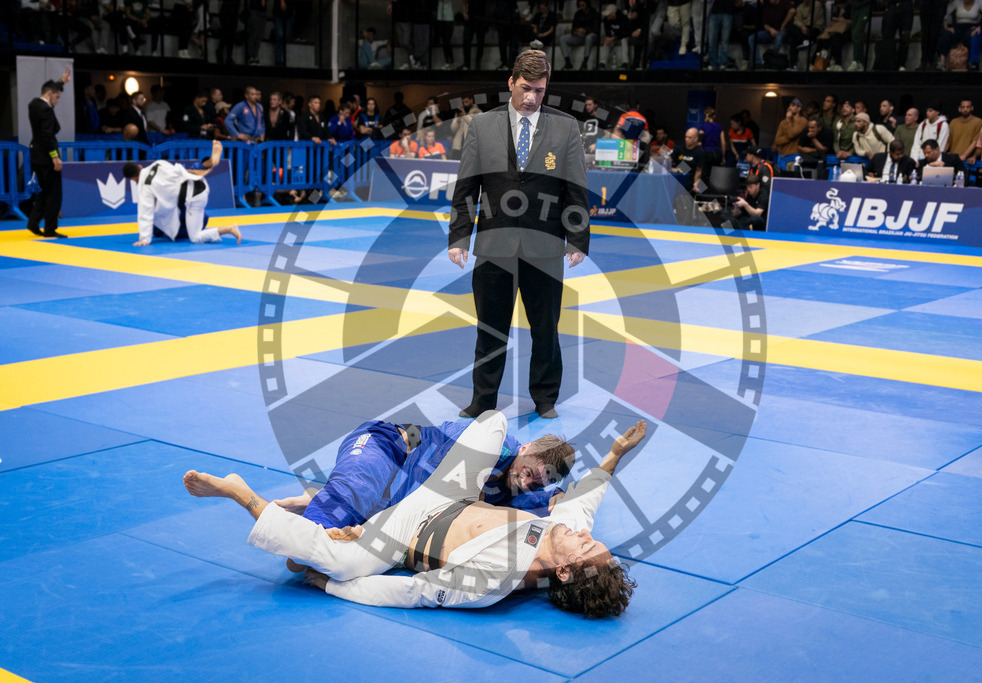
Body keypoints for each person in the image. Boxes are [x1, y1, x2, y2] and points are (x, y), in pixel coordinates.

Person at [184, 412, 645, 616]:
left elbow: (413, 592)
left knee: (339, 561)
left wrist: (332, 586)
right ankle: (326, 504)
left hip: (404, 531)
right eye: (591, 539)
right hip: (448, 490)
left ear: (563, 570)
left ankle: (241, 495)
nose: (584, 534)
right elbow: (589, 496)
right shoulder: (566, 529)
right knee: (493, 422)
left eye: (586, 545)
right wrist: (615, 454)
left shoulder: (495, 580)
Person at [448, 50, 589, 421]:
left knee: (546, 330)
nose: (531, 97)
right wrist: (459, 236)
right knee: (490, 329)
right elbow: (467, 187)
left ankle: (545, 398)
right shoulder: (481, 126)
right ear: (510, 83)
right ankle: (483, 399)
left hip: (545, 244)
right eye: (525, 88)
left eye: (539, 91)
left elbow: (576, 187)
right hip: (494, 243)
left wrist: (578, 236)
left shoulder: (566, 126)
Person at [274, 418, 576, 529]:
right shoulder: (485, 442)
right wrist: (401, 443)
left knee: (372, 510)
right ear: (524, 449)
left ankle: (311, 501)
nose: (525, 483)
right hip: (386, 445)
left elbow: (552, 504)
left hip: (396, 491)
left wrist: (561, 496)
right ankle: (308, 528)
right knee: (358, 488)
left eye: (536, 483)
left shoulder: (525, 491)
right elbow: (425, 435)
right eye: (527, 473)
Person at [123, 140, 242, 246]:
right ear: (139, 166)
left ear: (133, 179)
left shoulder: (144, 185)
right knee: (186, 172)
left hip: (193, 198)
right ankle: (206, 164)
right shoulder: (158, 164)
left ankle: (229, 229)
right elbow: (179, 171)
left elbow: (145, 212)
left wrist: (145, 238)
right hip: (199, 182)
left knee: (195, 237)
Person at [27, 68, 71, 239]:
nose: (58, 101)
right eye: (57, 97)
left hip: (36, 154)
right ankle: (50, 229)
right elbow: (47, 134)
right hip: (47, 156)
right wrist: (55, 158)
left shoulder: (33, 104)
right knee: (54, 193)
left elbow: (52, 88)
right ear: (49, 94)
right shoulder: (45, 109)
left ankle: (33, 222)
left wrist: (61, 82)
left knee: (45, 191)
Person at [748, 0, 794, 69]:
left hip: (782, 31)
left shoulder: (784, 2)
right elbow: (765, 24)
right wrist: (770, 29)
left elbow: (792, 11)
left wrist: (784, 24)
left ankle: (771, 61)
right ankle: (758, 63)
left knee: (779, 38)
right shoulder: (767, 5)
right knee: (751, 38)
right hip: (770, 32)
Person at [560, 0, 600, 70]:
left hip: (592, 35)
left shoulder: (594, 12)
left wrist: (585, 30)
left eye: (583, 5)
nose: (581, 7)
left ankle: (585, 61)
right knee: (563, 38)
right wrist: (575, 31)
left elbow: (596, 29)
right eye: (580, 5)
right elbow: (573, 27)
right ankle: (567, 62)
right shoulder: (578, 13)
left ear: (587, 4)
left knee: (589, 37)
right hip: (579, 36)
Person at [451, 95, 482, 160]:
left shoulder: (478, 111)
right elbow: (453, 129)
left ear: (471, 101)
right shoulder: (459, 112)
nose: (465, 104)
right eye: (463, 102)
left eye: (466, 102)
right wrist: (457, 120)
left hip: (470, 146)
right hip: (458, 145)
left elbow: (474, 124)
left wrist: (464, 115)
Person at [678, 127, 707, 192]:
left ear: (696, 139)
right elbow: (671, 161)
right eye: (686, 137)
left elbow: (699, 171)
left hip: (694, 181)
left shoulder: (700, 152)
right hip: (680, 179)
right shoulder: (680, 148)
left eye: (689, 137)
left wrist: (695, 185)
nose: (687, 139)